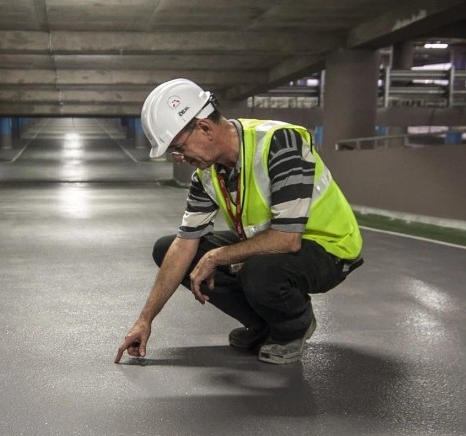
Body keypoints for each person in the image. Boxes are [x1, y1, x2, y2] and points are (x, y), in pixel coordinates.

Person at [115, 78, 363, 365]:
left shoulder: (280, 142)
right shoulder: (207, 174)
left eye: (178, 148)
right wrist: (145, 319)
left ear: (204, 128)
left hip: (328, 248)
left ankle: (293, 327)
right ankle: (263, 325)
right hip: (276, 245)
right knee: (167, 248)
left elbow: (287, 238)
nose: (179, 159)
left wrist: (218, 256)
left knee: (257, 270)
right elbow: (184, 245)